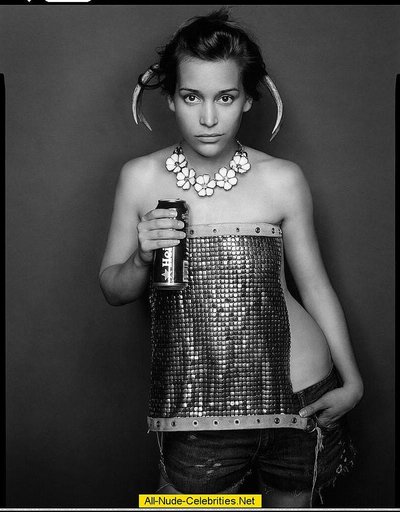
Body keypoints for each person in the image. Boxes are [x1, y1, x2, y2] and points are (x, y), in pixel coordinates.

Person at [99, 8, 364, 508]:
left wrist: (352, 382)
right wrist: (140, 257)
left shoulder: (283, 179)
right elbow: (113, 288)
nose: (208, 118)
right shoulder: (140, 178)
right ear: (170, 97)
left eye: (225, 97)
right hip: (196, 408)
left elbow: (315, 287)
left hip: (302, 399)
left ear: (248, 99)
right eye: (191, 97)